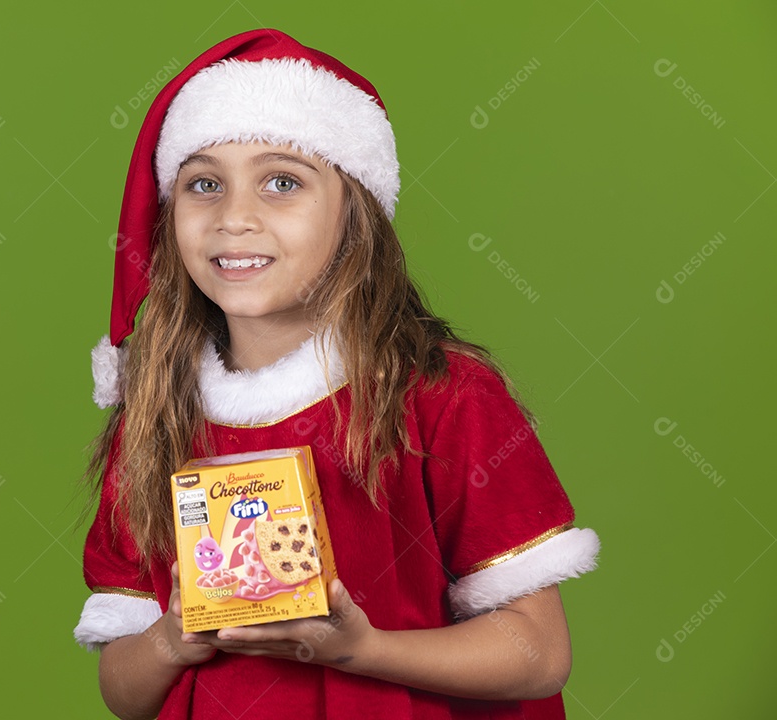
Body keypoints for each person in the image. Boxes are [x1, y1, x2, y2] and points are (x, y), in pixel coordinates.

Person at [74, 28, 600, 720]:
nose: (235, 218)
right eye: (204, 184)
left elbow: (539, 654)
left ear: (356, 211)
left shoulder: (444, 398)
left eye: (282, 182)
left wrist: (359, 649)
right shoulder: (154, 413)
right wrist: (174, 637)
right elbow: (124, 692)